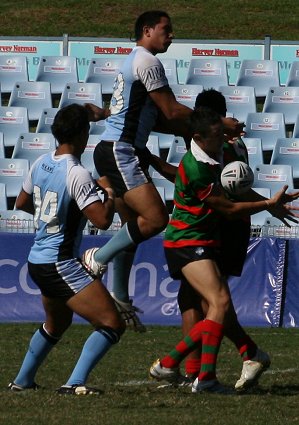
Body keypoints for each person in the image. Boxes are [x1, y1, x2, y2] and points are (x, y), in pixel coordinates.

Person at [83, 10, 244, 332]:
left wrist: (195, 131)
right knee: (156, 219)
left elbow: (157, 118)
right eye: (166, 30)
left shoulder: (135, 61)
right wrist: (218, 124)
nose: (171, 36)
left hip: (121, 148)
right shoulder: (147, 61)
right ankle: (97, 258)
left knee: (133, 224)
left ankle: (120, 296)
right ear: (147, 30)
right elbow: (171, 110)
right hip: (120, 148)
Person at [149, 107, 299, 394]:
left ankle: (172, 364)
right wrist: (268, 205)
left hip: (202, 240)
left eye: (223, 134)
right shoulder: (197, 167)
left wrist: (271, 204)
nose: (223, 141)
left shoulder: (216, 151)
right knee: (217, 303)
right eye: (218, 136)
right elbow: (229, 208)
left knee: (216, 306)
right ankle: (204, 377)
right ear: (199, 137)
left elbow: (235, 194)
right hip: (186, 241)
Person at [8, 104, 125, 395]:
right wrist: (109, 193)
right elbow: (101, 220)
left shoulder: (40, 162)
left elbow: (21, 203)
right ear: (82, 134)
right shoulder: (77, 173)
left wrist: (53, 217)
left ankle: (22, 382)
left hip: (37, 259)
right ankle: (74, 383)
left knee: (57, 323)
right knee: (112, 323)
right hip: (59, 263)